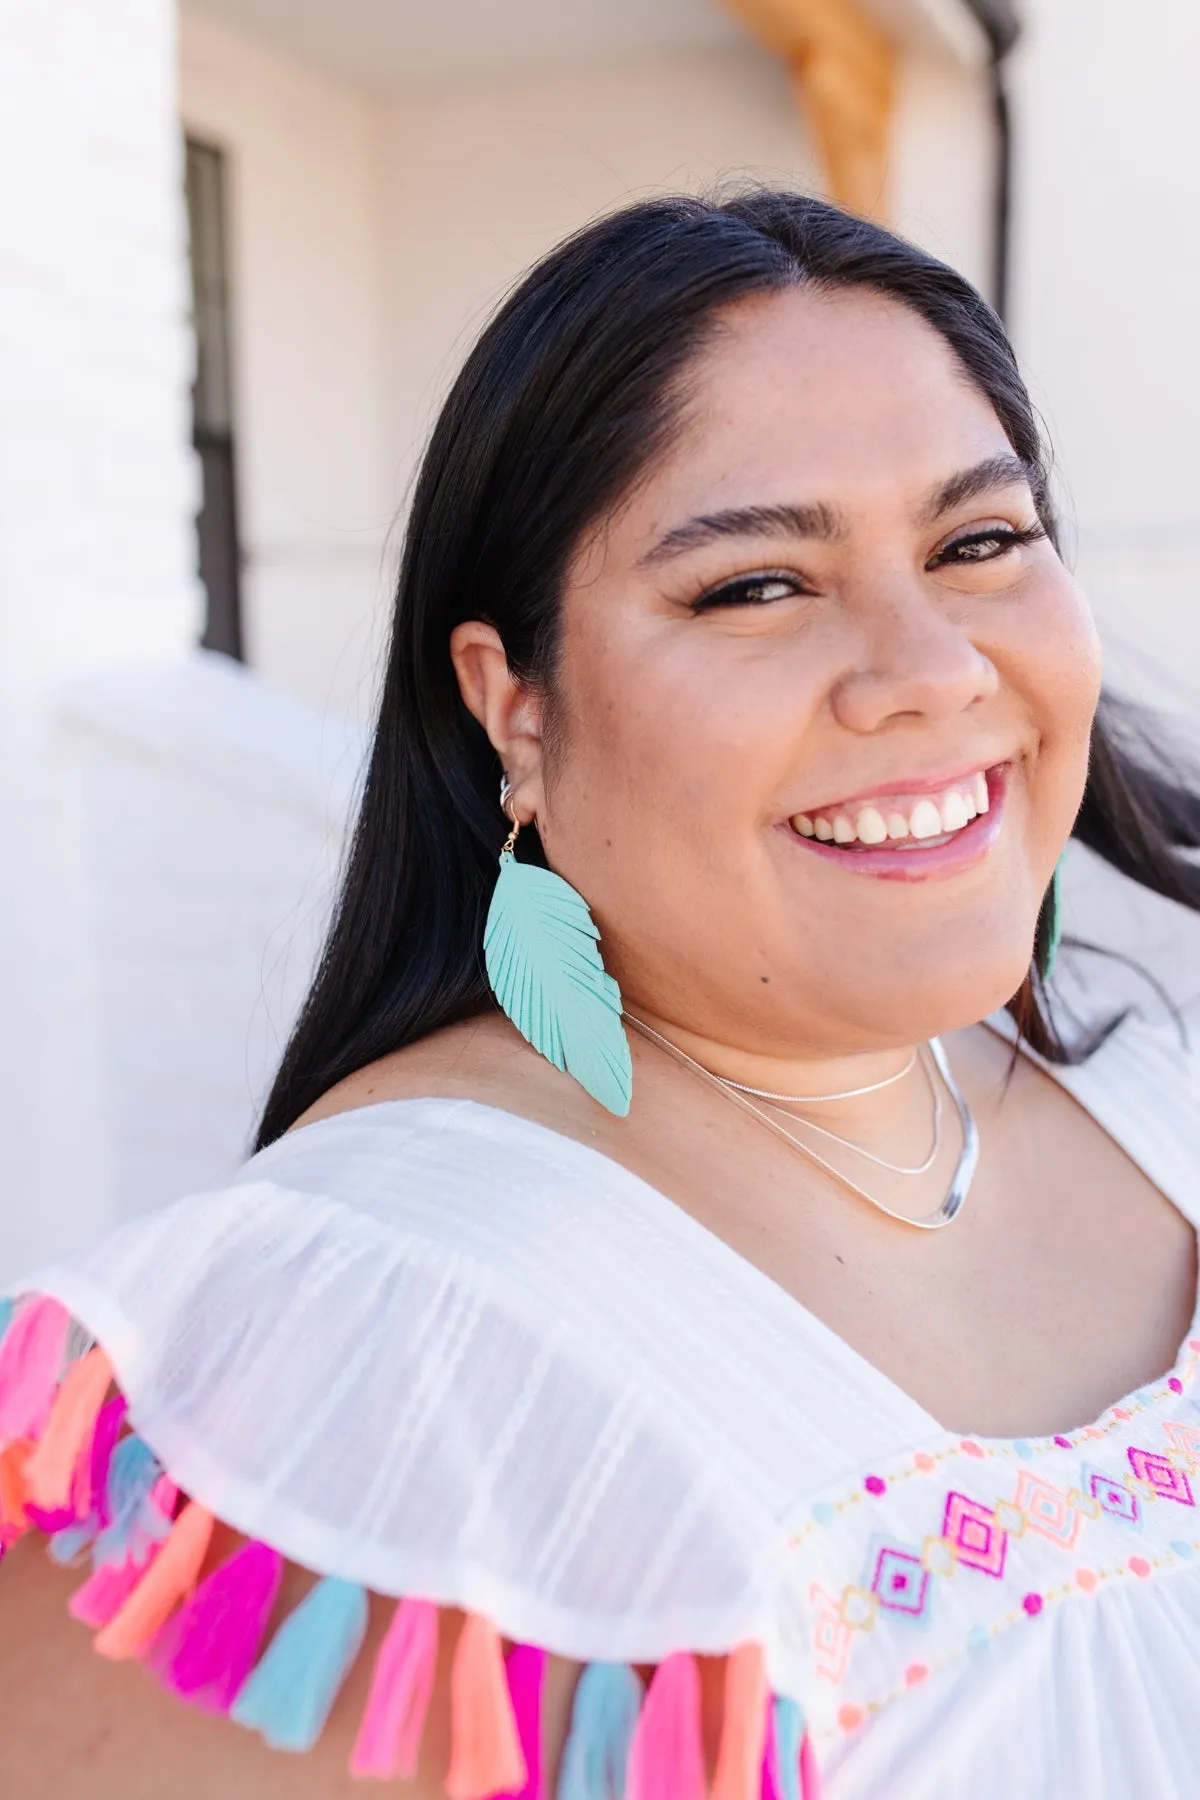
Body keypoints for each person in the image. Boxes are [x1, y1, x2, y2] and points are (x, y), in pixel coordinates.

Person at [2, 190, 1199, 1800]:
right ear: (517, 707)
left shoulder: (1154, 1086)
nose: (929, 667)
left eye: (978, 543)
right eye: (756, 585)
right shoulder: (362, 1347)